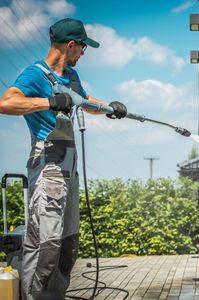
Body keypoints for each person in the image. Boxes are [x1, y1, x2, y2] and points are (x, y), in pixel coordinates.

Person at [0, 18, 127, 300]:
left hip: (69, 170)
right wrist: (49, 102)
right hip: (49, 169)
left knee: (67, 244)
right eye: (83, 47)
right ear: (71, 45)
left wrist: (109, 108)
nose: (84, 52)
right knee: (46, 245)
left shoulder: (71, 77)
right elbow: (6, 103)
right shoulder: (35, 75)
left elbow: (84, 100)